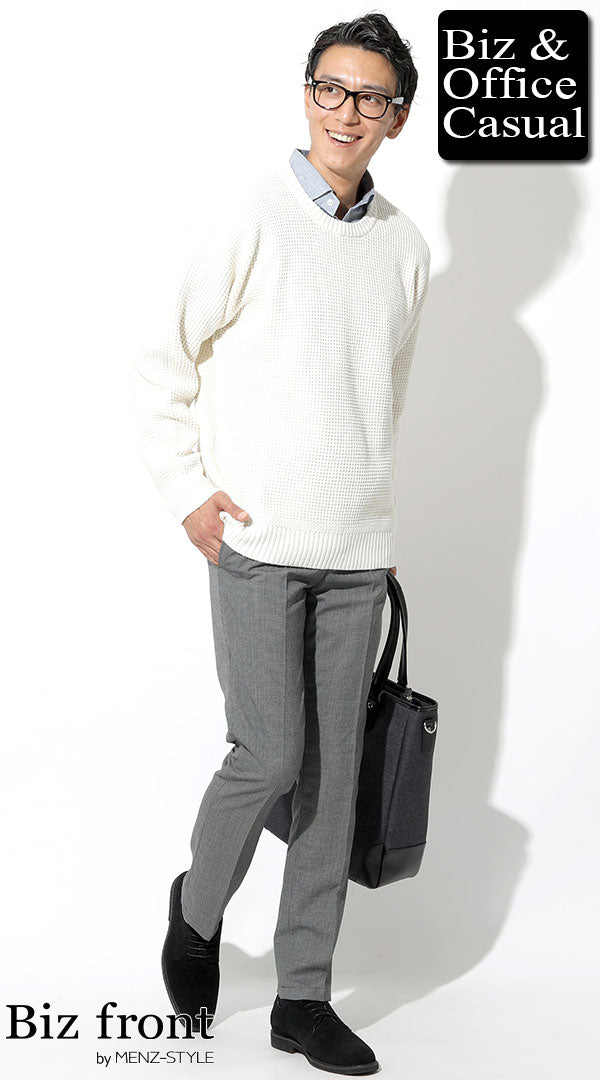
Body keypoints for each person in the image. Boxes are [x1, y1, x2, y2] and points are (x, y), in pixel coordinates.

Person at [129, 11, 430, 1075]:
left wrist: (376, 522)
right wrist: (188, 493)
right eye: (331, 89)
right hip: (254, 541)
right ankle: (197, 911)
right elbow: (160, 359)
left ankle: (303, 996)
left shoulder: (405, 248)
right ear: (307, 95)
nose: (348, 112)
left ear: (398, 118)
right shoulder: (248, 215)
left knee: (333, 780)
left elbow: (382, 399)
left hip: (356, 554)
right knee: (271, 754)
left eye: (372, 97)